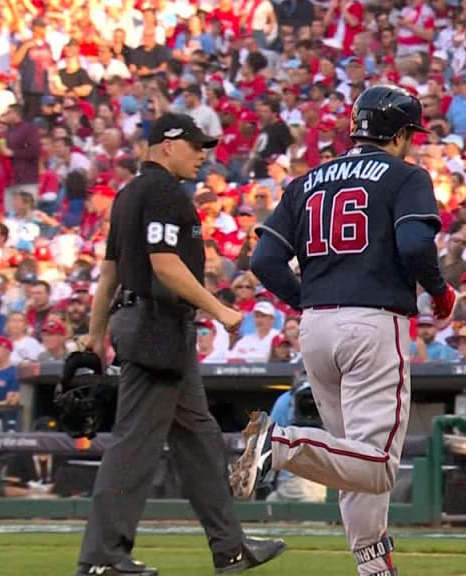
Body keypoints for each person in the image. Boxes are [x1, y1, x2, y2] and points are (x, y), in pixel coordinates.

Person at [236, 85, 456, 576]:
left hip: (314, 328)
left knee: (349, 458)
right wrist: (439, 291)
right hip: (374, 322)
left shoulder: (308, 180)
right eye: (409, 135)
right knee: (376, 465)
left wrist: (307, 301)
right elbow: (416, 242)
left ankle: (373, 566)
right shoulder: (405, 175)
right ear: (400, 133)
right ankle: (282, 444)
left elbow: (265, 261)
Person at [73, 113, 285, 576]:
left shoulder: (129, 194)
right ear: (167, 145)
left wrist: (94, 333)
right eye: (194, 145)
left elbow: (109, 272)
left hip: (146, 323)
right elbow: (165, 264)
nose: (202, 154)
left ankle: (231, 547)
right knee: (134, 444)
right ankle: (102, 558)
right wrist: (221, 310)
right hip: (156, 327)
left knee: (200, 440)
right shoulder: (163, 192)